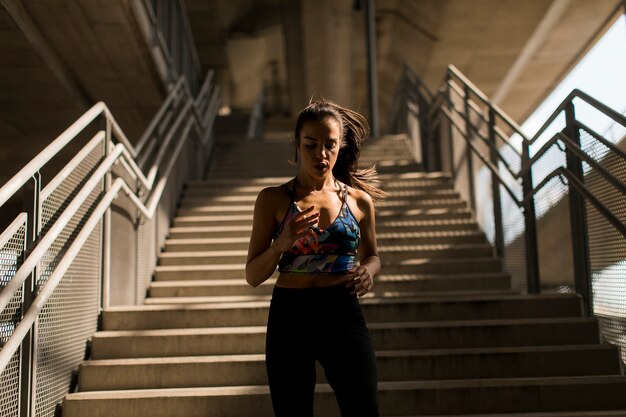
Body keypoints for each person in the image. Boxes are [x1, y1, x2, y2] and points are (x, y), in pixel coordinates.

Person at [245, 98, 384, 417]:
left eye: (329, 145)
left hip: (343, 311)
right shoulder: (273, 200)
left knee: (364, 409)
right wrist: (281, 244)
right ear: (297, 145)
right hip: (291, 316)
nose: (321, 154)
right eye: (311, 144)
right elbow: (253, 276)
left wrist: (369, 271)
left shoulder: (359, 201)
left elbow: (373, 255)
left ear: (340, 146)